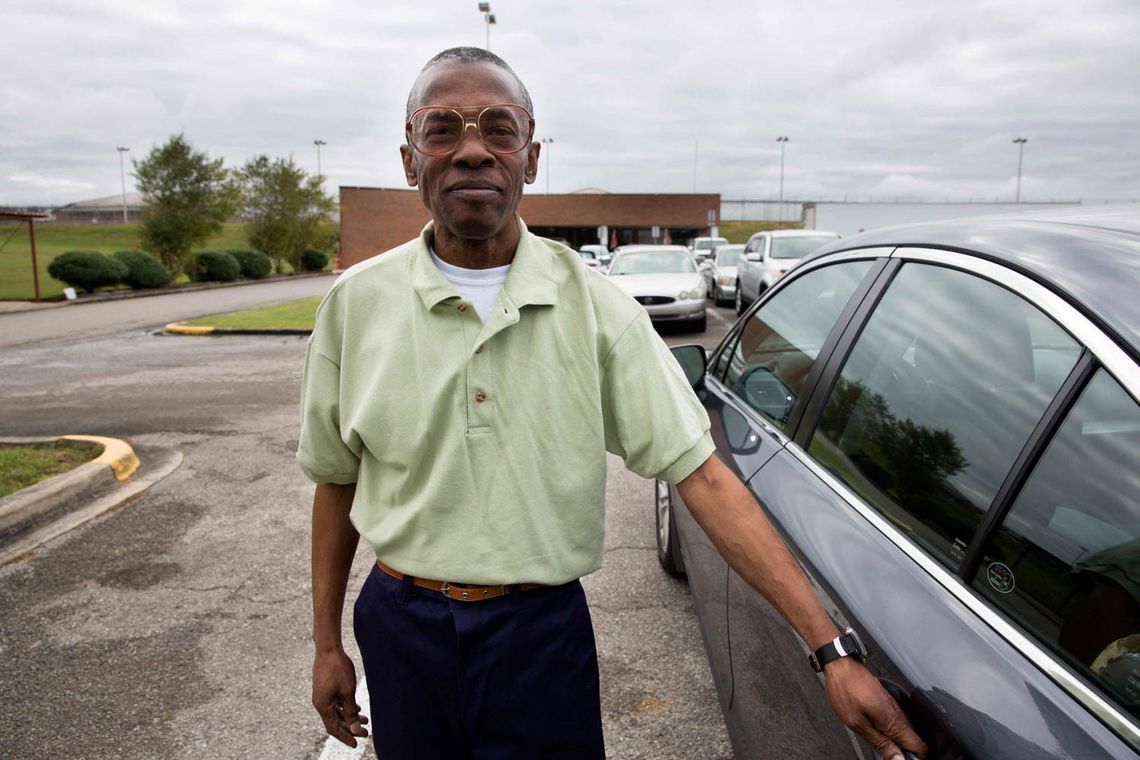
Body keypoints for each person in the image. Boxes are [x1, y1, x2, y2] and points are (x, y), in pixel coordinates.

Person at [299, 46, 926, 760]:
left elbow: (703, 476)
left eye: (499, 128)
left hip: (538, 631)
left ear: (530, 158)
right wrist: (326, 644)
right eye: (442, 128)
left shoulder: (600, 311)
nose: (472, 150)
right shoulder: (355, 307)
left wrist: (830, 650)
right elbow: (336, 479)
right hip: (400, 623)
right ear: (411, 159)